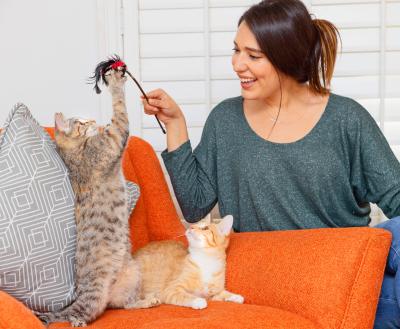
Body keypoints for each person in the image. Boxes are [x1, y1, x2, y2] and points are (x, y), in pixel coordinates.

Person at [141, 0, 400, 327]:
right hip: (271, 274)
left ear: (287, 57)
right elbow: (194, 207)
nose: (237, 64)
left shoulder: (347, 120)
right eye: (236, 51)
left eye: (253, 56)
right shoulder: (225, 121)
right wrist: (175, 122)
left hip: (342, 270)